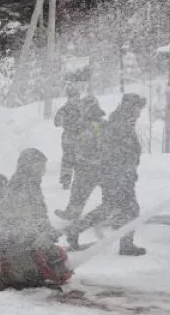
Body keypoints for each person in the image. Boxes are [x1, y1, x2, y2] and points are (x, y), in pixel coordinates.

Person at [64, 93, 148, 256]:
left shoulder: (122, 121)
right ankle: (126, 245)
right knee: (130, 210)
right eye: (138, 108)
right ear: (130, 107)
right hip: (118, 177)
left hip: (117, 176)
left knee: (110, 207)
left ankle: (75, 230)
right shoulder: (120, 124)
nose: (139, 112)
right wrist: (123, 173)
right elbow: (117, 153)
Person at [0, 148, 60, 250]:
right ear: (27, 167)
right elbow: (20, 219)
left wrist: (49, 230)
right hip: (10, 240)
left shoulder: (33, 185)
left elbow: (40, 214)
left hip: (21, 237)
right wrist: (41, 234)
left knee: (55, 253)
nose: (43, 172)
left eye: (43, 167)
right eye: (39, 167)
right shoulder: (19, 187)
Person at [57, 95, 107, 221]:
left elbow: (71, 150)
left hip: (91, 167)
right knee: (79, 191)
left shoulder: (85, 126)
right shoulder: (101, 125)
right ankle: (73, 213)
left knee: (80, 191)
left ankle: (75, 213)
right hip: (94, 167)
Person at [54, 85, 84, 189]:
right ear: (69, 98)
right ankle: (66, 182)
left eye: (77, 96)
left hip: (82, 138)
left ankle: (81, 181)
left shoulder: (83, 107)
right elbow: (56, 122)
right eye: (73, 96)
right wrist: (62, 120)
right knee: (68, 160)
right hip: (69, 138)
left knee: (82, 160)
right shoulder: (64, 109)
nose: (75, 98)